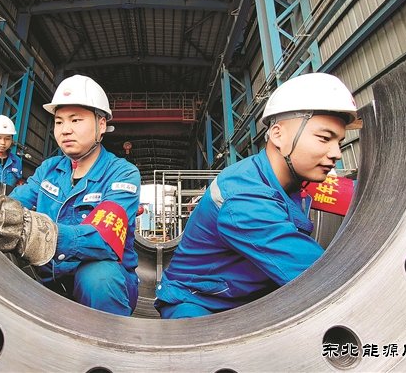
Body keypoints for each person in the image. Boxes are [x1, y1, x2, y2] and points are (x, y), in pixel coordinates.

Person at [154, 72, 359, 319]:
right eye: (324, 138)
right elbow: (322, 278)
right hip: (199, 302)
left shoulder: (298, 182)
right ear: (278, 135)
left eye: (339, 142)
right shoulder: (244, 197)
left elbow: (362, 195)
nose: (336, 153)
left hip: (251, 297)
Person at [0, 74, 141, 316]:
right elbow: (14, 203)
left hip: (103, 287)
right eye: (59, 122)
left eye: (76, 120)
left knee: (99, 275)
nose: (65, 130)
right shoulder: (49, 169)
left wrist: (39, 235)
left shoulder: (122, 173)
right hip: (49, 276)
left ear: (101, 125)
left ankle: (109, 337)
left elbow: (105, 239)